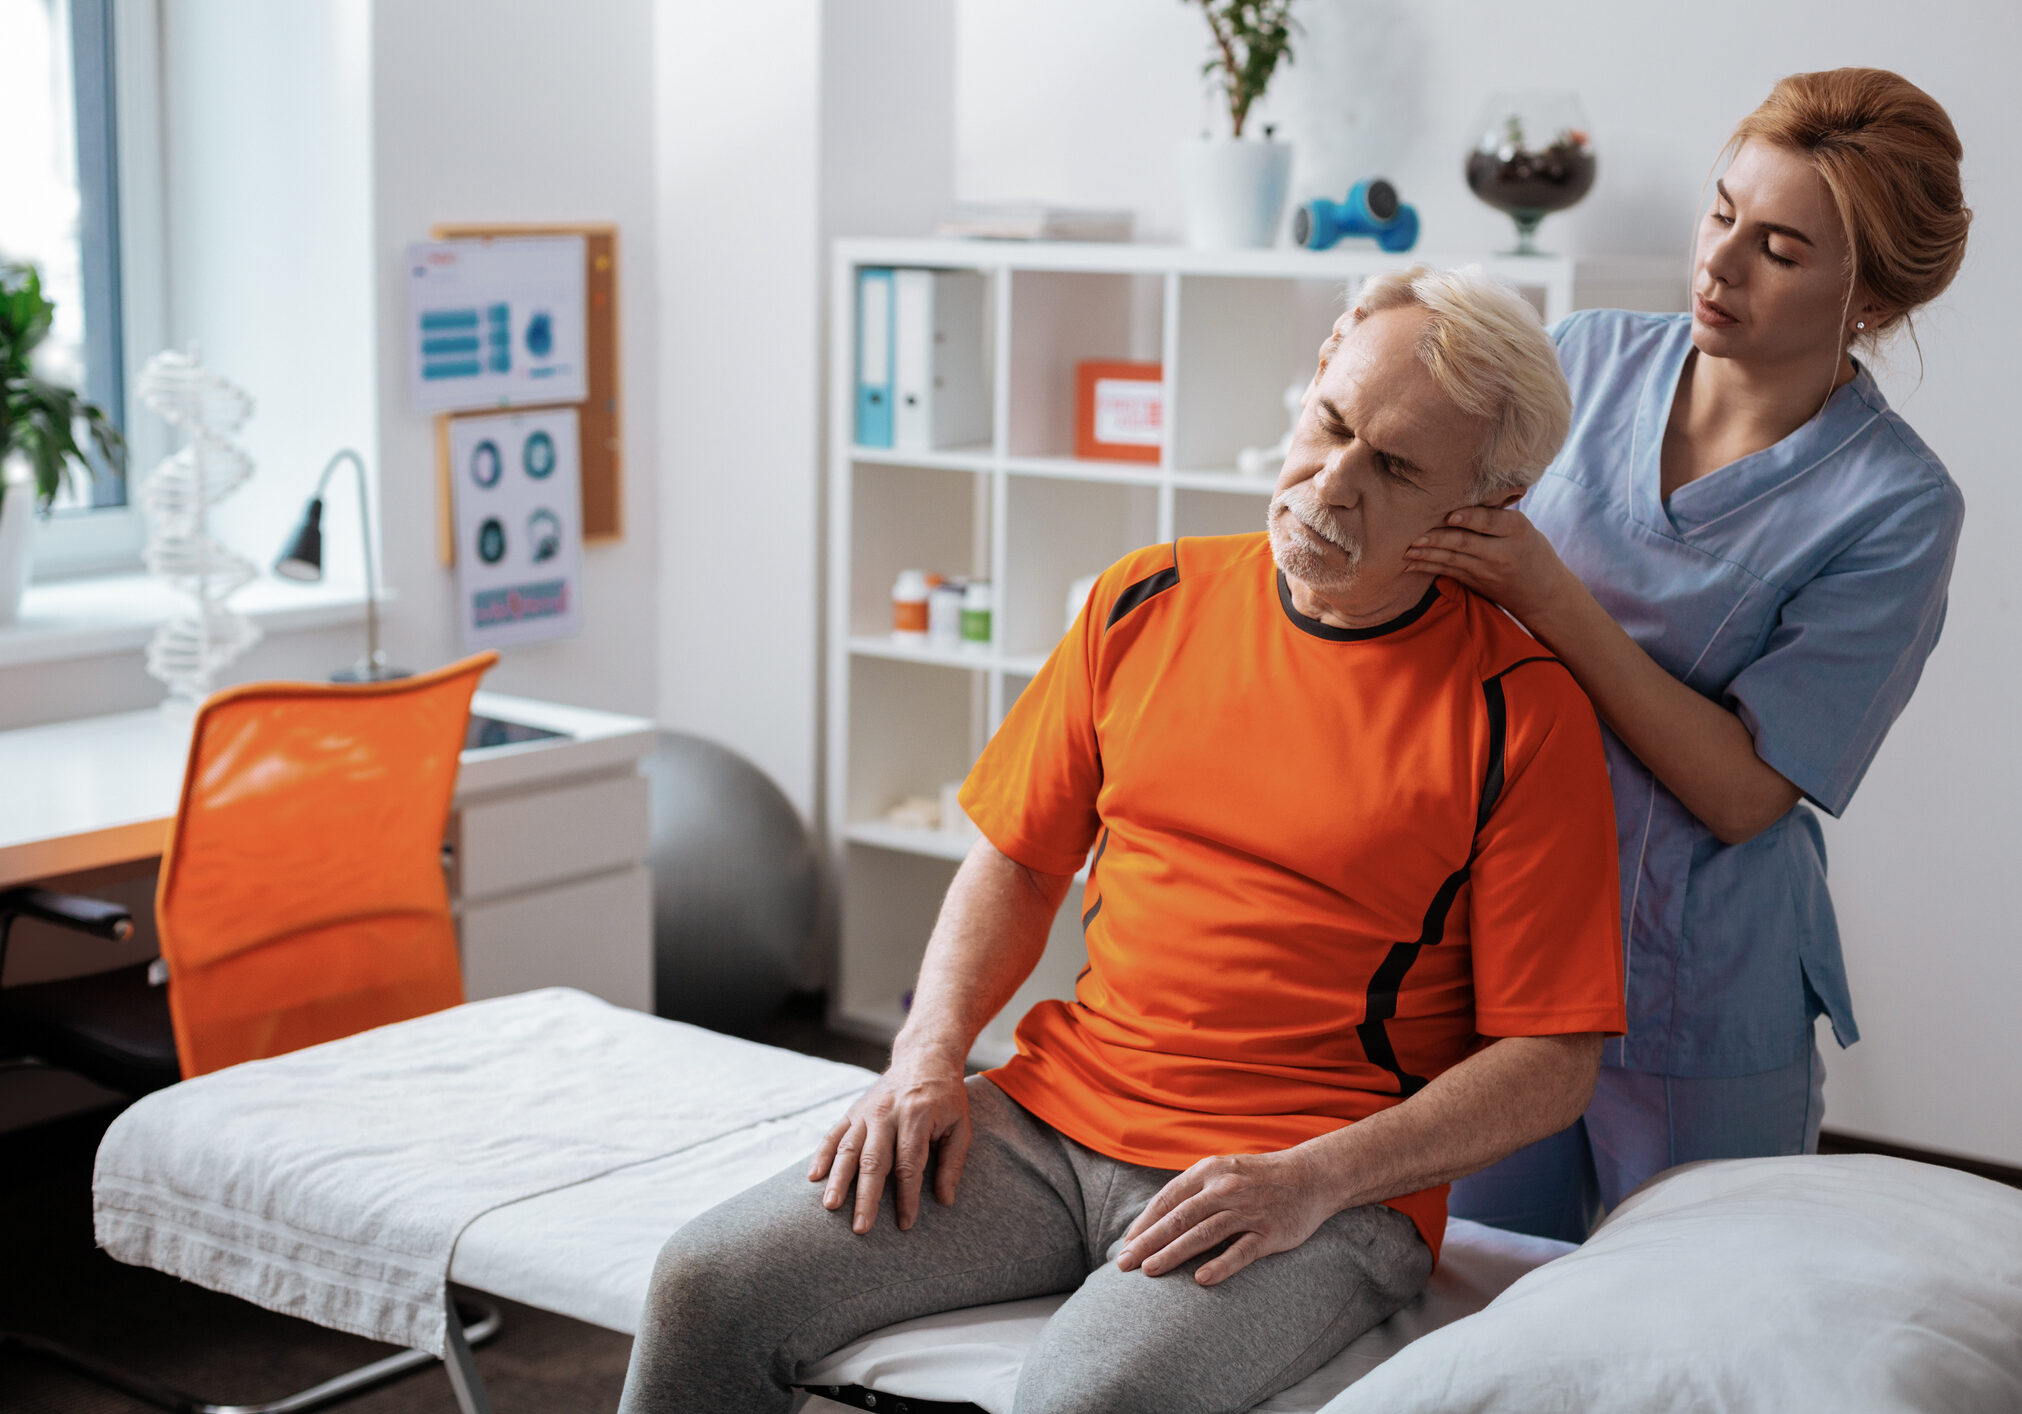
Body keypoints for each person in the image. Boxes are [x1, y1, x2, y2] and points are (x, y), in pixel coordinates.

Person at [618, 265, 1627, 1414]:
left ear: (1485, 507)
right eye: (1331, 422)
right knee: (707, 1285)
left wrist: (1316, 1181)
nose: (1329, 482)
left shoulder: (1520, 710)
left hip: (1307, 1176)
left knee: (1081, 1401)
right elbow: (1018, 857)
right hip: (1054, 1117)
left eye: (1393, 468)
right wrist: (926, 1058)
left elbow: (1555, 1059)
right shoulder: (1143, 601)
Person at [1415, 69, 1971, 1244]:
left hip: (1698, 985)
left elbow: (1739, 794)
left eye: (1778, 248)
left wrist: (1555, 602)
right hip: (1505, 947)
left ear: (1867, 302)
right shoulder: (1582, 359)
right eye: (1720, 213)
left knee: (1697, 1309)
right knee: (1468, 1294)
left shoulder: (1896, 504)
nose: (1718, 265)